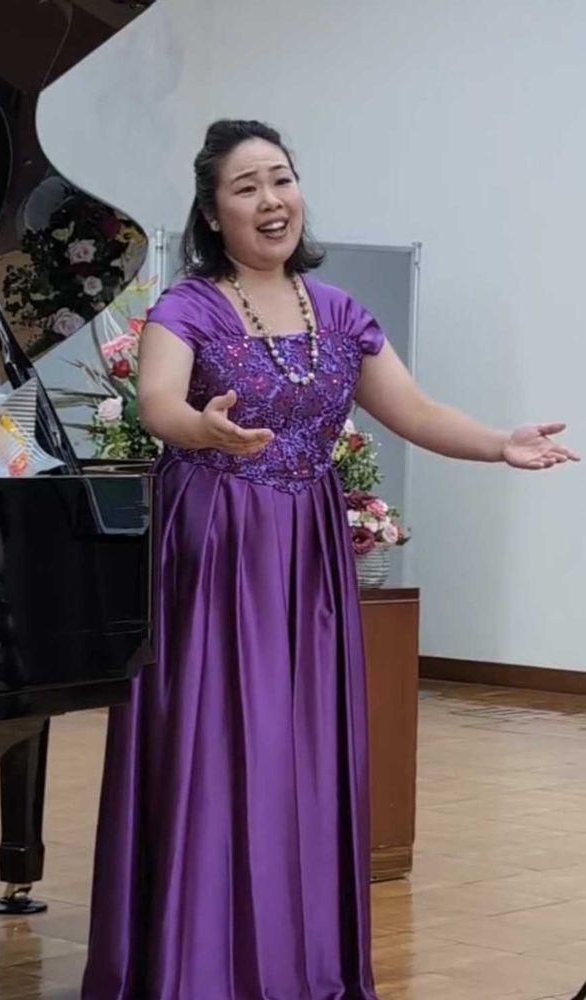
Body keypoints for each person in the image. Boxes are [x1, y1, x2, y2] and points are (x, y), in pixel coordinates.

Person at [81, 119, 578, 1000]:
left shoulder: (339, 312)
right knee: (216, 742)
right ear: (212, 213)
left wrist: (499, 443)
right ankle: (196, 962)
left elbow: (414, 412)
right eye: (246, 187)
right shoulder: (187, 307)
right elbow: (158, 402)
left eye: (281, 179)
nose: (271, 200)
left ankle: (294, 960)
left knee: (297, 747)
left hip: (306, 552)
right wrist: (203, 429)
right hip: (215, 544)